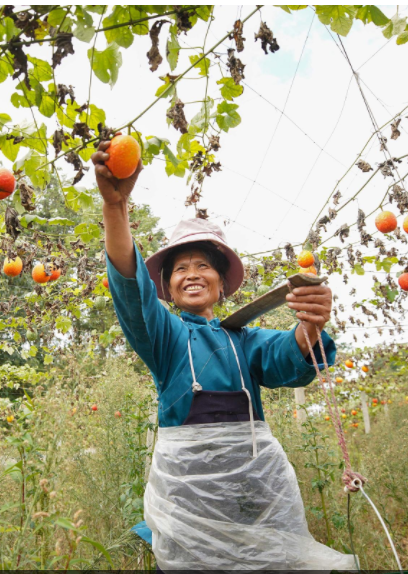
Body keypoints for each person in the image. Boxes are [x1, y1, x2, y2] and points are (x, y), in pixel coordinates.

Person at [91, 137, 356, 570]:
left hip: (255, 494)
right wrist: (115, 207)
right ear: (168, 286)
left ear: (220, 282)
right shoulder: (167, 337)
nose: (192, 274)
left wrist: (310, 322)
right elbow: (130, 290)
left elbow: (287, 354)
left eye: (203, 265)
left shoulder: (245, 340)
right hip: (188, 503)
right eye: (180, 268)